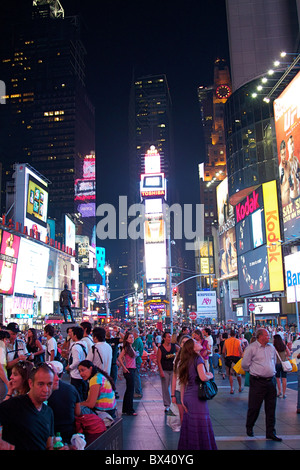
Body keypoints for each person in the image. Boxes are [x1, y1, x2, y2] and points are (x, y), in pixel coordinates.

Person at [0, 363, 55, 450]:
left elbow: (49, 445)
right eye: (40, 384)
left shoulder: (49, 412)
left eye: (49, 384)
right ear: (30, 383)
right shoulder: (14, 405)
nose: (46, 390)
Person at [241, 328, 282, 441]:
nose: (269, 337)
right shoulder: (252, 348)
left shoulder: (271, 348)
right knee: (254, 407)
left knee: (271, 407)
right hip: (257, 381)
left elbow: (273, 361)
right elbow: (245, 364)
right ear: (260, 336)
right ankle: (249, 427)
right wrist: (256, 371)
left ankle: (271, 432)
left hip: (271, 380)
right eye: (267, 335)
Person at [177, 338, 217, 450]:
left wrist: (182, 399)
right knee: (201, 425)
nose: (199, 342)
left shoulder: (185, 361)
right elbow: (203, 377)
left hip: (188, 397)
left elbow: (183, 383)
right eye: (196, 342)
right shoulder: (198, 359)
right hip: (197, 397)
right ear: (192, 348)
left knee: (189, 426)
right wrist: (210, 375)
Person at [47, 360, 81, 443]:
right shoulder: (71, 389)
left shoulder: (42, 392)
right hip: (69, 432)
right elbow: (78, 412)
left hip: (51, 434)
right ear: (62, 374)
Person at [157, 331, 179, 412]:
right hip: (165, 370)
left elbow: (181, 350)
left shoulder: (174, 346)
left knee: (175, 387)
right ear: (164, 338)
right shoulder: (161, 348)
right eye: (168, 337)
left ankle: (175, 403)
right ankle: (167, 404)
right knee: (165, 388)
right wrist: (161, 371)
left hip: (173, 370)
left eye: (170, 337)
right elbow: (158, 360)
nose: (170, 338)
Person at [171, 334, 191, 422]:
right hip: (179, 390)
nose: (185, 344)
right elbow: (175, 376)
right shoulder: (177, 358)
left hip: (191, 390)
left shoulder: (195, 358)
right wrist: (173, 394)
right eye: (183, 342)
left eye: (187, 342)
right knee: (182, 418)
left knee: (191, 416)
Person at [118, 331, 137, 416]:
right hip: (129, 370)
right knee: (130, 390)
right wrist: (124, 367)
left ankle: (126, 409)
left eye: (132, 337)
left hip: (132, 369)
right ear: (126, 339)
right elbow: (119, 358)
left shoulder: (130, 347)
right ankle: (130, 410)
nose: (132, 339)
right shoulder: (126, 348)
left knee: (129, 390)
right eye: (130, 337)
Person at [66, 326, 88, 400]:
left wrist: (69, 367)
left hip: (76, 375)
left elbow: (77, 361)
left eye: (71, 333)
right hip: (82, 374)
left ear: (75, 335)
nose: (70, 335)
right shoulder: (84, 344)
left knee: (77, 396)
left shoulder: (76, 347)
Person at [223, 329, 243, 394]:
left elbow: (223, 352)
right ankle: (240, 387)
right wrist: (241, 357)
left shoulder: (226, 341)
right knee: (238, 374)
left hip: (228, 358)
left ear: (229, 334)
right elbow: (240, 351)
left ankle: (232, 388)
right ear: (236, 334)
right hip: (236, 359)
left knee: (230, 374)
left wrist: (224, 357)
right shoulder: (238, 341)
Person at [273, 333, 291, 399]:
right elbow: (289, 354)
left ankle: (279, 391)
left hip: (277, 364)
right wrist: (285, 355)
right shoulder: (284, 346)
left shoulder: (274, 347)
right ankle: (284, 393)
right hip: (284, 363)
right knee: (284, 378)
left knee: (278, 378)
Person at [132, 328, 144, 398]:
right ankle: (138, 390)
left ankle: (138, 391)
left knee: (136, 376)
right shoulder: (139, 340)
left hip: (136, 361)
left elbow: (135, 351)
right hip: (137, 360)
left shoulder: (137, 341)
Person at [0, 330, 10, 402]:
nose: (8, 341)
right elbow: (0, 369)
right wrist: (7, 383)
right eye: (6, 339)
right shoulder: (1, 350)